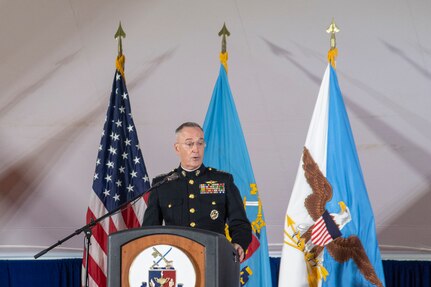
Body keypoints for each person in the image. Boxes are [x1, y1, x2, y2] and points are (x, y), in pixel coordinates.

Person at [143, 122, 252, 261]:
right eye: (189, 144)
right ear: (177, 148)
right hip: (175, 260)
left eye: (200, 143)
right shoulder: (163, 185)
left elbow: (240, 223)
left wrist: (239, 243)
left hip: (213, 258)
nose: (196, 149)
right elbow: (150, 230)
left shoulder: (222, 181)